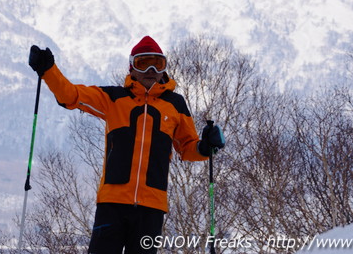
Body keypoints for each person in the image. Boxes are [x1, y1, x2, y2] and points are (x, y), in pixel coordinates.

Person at [28, 36, 225, 253]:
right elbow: (70, 96)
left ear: (164, 68)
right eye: (143, 63)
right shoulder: (114, 98)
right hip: (112, 203)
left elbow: (188, 148)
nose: (151, 69)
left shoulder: (175, 104)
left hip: (152, 208)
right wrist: (49, 70)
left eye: (157, 63)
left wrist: (206, 147)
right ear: (132, 67)